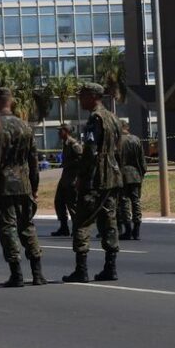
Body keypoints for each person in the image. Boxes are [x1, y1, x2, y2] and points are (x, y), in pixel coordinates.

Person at [0, 88, 44, 287]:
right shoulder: (25, 127)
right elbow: (34, 160)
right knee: (27, 227)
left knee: (8, 228)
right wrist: (34, 186)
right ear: (12, 102)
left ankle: (16, 273)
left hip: (2, 186)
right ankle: (37, 273)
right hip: (24, 185)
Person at [62, 82, 123, 283]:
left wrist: (82, 177)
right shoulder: (114, 118)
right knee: (109, 221)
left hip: (95, 179)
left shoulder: (95, 119)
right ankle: (111, 267)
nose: (80, 99)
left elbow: (90, 150)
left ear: (93, 96)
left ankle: (81, 269)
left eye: (82, 96)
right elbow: (118, 149)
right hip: (112, 178)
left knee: (82, 222)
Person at [118, 122, 147, 241]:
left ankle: (128, 229)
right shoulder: (136, 140)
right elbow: (142, 160)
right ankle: (137, 229)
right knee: (136, 201)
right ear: (128, 128)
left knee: (124, 202)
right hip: (136, 175)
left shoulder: (118, 141)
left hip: (122, 175)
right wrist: (142, 174)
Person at [51, 125, 81, 237]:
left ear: (66, 131)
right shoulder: (65, 143)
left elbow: (82, 161)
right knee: (59, 202)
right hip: (65, 178)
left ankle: (77, 228)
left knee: (72, 204)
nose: (59, 133)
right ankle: (64, 227)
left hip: (72, 179)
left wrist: (78, 178)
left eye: (60, 131)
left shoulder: (74, 144)